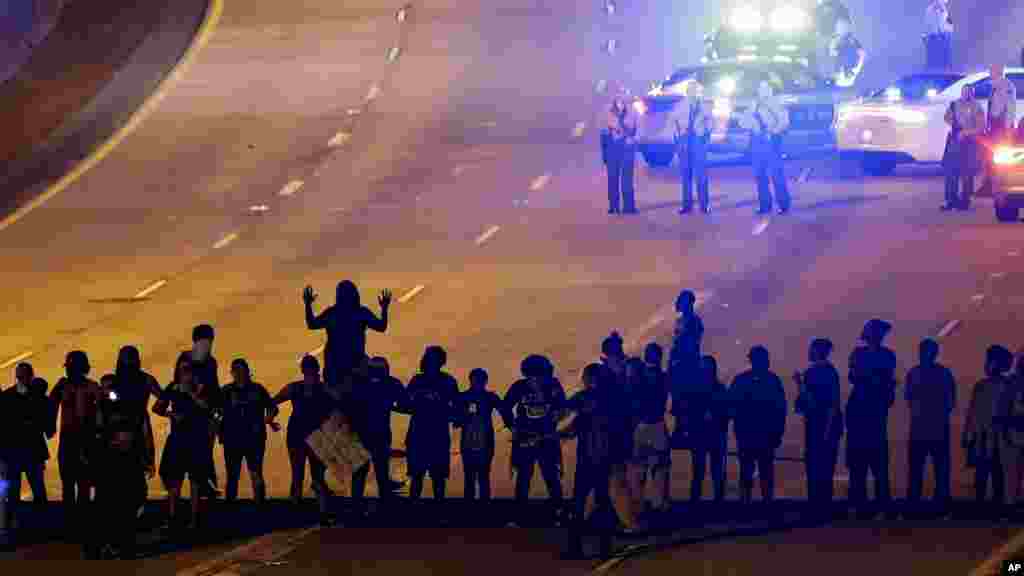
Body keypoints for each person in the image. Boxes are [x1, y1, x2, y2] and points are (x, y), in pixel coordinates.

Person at [90, 366, 156, 559]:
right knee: (109, 506)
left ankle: (123, 544)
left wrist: (148, 459)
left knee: (130, 503)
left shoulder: (131, 407)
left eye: (109, 388)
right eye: (103, 388)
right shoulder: (100, 408)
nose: (107, 392)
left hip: (129, 463)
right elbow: (96, 435)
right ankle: (111, 544)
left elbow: (144, 433)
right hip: (110, 464)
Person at [154, 355, 218, 530]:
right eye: (182, 370)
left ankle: (194, 518)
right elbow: (157, 407)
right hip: (178, 438)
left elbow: (208, 408)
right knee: (175, 479)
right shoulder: (173, 387)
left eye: (188, 369)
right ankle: (173, 516)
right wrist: (171, 414)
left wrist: (190, 392)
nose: (185, 373)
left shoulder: (201, 387)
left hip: (196, 439)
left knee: (196, 481)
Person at [845, 319, 898, 519]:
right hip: (867, 413)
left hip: (868, 413)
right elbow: (860, 376)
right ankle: (871, 506)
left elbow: (858, 376)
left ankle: (872, 506)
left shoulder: (867, 355)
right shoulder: (881, 356)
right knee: (868, 464)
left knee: (870, 464)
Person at [505, 354, 567, 526]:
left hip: (546, 437)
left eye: (540, 375)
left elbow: (563, 407)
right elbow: (505, 406)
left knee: (550, 476)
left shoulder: (553, 385)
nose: (537, 379)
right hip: (525, 437)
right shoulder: (519, 386)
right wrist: (513, 426)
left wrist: (557, 416)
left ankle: (558, 513)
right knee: (524, 476)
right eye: (534, 375)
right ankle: (520, 515)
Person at [562, 363, 615, 559]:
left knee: (579, 503)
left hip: (587, 458)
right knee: (602, 502)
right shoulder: (610, 399)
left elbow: (568, 419)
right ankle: (604, 547)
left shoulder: (582, 398)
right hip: (603, 457)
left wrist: (558, 433)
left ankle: (576, 547)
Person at [303, 282, 391, 398]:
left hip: (333, 366)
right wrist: (384, 309)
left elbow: (312, 324)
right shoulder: (361, 312)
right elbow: (381, 327)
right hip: (356, 365)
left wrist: (308, 305)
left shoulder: (332, 312)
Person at [273, 355, 332, 525]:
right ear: (318, 369)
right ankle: (323, 513)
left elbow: (272, 401)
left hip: (296, 436)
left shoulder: (294, 387)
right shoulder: (325, 388)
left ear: (302, 370)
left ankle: (295, 513)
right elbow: (340, 405)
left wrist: (270, 419)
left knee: (297, 475)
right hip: (317, 436)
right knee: (318, 477)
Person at [49, 350, 102, 532]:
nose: (69, 371)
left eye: (71, 368)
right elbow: (51, 406)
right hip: (72, 441)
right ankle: (74, 523)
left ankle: (78, 523)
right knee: (72, 484)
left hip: (83, 440)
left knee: (82, 484)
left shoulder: (91, 387)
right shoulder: (65, 386)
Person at [904, 338, 956, 515]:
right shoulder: (944, 374)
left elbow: (909, 399)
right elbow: (950, 402)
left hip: (920, 427)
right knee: (940, 469)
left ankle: (914, 504)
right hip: (938, 427)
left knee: (917, 468)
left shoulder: (914, 373)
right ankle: (940, 505)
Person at [730, 346, 787, 507]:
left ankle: (746, 504)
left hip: (749, 434)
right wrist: (778, 433)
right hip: (764, 435)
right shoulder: (773, 380)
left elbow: (732, 407)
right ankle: (765, 505)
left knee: (748, 471)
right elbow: (780, 410)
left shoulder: (741, 380)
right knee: (765, 472)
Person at [351, 356, 409, 513]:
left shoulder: (360, 383)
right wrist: (391, 406)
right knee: (379, 471)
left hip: (364, 433)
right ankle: (382, 503)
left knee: (362, 472)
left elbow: (350, 406)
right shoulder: (391, 383)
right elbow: (405, 404)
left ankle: (357, 505)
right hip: (378, 433)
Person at [1, 364, 51, 543]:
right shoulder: (39, 397)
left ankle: (16, 528)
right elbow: (46, 424)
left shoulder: (7, 396)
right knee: (36, 490)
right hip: (29, 452)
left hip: (15, 452)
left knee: (14, 493)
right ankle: (40, 527)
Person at [405, 346, 459, 504]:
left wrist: (451, 415)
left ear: (441, 361)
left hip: (438, 434)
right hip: (418, 434)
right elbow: (405, 402)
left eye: (436, 358)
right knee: (417, 476)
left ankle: (439, 513)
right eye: (429, 357)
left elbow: (457, 406)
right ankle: (413, 513)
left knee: (438, 477)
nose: (432, 361)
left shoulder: (449, 381)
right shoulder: (417, 380)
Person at [220, 359, 278, 505]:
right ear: (232, 373)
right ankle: (233, 507)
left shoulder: (257, 389)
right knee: (234, 475)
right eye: (236, 371)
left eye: (241, 371)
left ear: (247, 372)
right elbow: (215, 411)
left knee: (255, 473)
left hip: (253, 438)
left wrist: (269, 418)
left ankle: (258, 506)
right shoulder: (226, 391)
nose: (239, 374)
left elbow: (272, 408)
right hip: (234, 439)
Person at [173, 324, 221, 498]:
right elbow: (180, 385)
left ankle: (205, 483)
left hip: (202, 413)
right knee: (194, 452)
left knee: (204, 451)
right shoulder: (187, 360)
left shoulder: (209, 361)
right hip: (189, 414)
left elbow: (213, 390)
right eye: (206, 340)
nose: (208, 344)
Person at [964, 345, 1013, 513]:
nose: (987, 364)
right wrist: (969, 435)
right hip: (983, 438)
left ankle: (994, 506)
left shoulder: (1006, 386)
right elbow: (972, 414)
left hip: (998, 438)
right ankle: (982, 506)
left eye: (990, 361)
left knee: (996, 473)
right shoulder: (981, 386)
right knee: (983, 474)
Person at [112, 346, 160, 519]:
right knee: (130, 470)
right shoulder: (145, 379)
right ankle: (133, 509)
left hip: (130, 428)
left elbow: (163, 399)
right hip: (131, 427)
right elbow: (163, 398)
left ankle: (133, 509)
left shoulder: (118, 380)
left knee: (133, 469)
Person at [794, 339, 842, 508]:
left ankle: (817, 506)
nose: (808, 351)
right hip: (823, 427)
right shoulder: (829, 372)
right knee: (824, 469)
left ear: (817, 351)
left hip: (819, 427)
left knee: (816, 468)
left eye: (811, 348)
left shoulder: (816, 373)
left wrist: (800, 385)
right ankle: (822, 506)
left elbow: (814, 404)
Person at [455, 368, 509, 502]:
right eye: (475, 379)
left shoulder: (491, 397)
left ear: (485, 381)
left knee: (483, 475)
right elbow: (455, 418)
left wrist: (511, 425)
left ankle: (484, 504)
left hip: (486, 440)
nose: (478, 382)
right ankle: (471, 504)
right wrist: (460, 419)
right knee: (470, 475)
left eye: (481, 380)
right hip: (468, 440)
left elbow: (504, 411)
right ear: (470, 380)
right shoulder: (462, 397)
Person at [741, 81, 791, 215]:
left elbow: (784, 122)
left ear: (770, 90)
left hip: (771, 141)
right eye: (760, 89)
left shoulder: (776, 104)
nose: (763, 91)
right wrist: (751, 123)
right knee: (759, 174)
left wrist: (773, 131)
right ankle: (765, 205)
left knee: (776, 174)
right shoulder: (753, 105)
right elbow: (743, 122)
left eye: (765, 89)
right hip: (757, 142)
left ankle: (783, 205)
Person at [689, 355, 730, 505]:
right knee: (705, 471)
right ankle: (710, 502)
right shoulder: (719, 388)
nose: (706, 370)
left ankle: (699, 502)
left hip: (711, 433)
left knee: (706, 471)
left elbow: (726, 410)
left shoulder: (700, 388)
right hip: (709, 433)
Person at [669, 290, 704, 448]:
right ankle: (681, 430)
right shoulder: (683, 321)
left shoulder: (693, 321)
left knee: (686, 397)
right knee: (679, 397)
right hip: (681, 363)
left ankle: (686, 432)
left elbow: (691, 344)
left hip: (687, 364)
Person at [978, 64, 1019, 197]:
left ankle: (998, 187)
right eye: (991, 70)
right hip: (994, 127)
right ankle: (989, 186)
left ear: (999, 71)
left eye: (993, 70)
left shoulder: (1007, 86)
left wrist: (1008, 128)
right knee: (990, 156)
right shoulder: (994, 86)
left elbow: (1010, 109)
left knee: (1000, 157)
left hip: (1001, 127)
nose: (990, 72)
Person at [942, 85, 985, 211]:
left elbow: (981, 126)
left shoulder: (977, 107)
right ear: (961, 93)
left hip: (969, 143)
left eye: (969, 92)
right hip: (954, 141)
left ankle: (965, 201)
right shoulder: (954, 104)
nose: (966, 94)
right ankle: (950, 200)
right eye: (964, 92)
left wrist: (966, 132)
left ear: (973, 93)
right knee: (950, 171)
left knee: (967, 173)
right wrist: (955, 127)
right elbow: (946, 117)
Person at [674, 81, 711, 214]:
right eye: (690, 90)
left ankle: (704, 205)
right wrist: (679, 137)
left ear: (697, 92)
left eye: (694, 90)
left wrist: (705, 135)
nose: (692, 92)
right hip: (685, 140)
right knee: (686, 175)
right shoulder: (680, 105)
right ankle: (686, 206)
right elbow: (674, 122)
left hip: (698, 140)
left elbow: (710, 123)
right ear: (687, 92)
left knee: (701, 174)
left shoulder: (704, 105)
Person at [603, 89, 638, 214]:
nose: (621, 100)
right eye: (618, 97)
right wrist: (605, 155)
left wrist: (631, 138)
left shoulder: (632, 112)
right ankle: (614, 206)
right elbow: (604, 133)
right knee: (612, 179)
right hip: (612, 148)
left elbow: (635, 130)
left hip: (627, 149)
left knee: (627, 179)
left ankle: (629, 207)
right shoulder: (608, 112)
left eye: (623, 97)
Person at [924, 0, 953, 69]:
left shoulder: (945, 11)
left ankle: (946, 68)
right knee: (932, 55)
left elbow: (949, 24)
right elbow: (928, 24)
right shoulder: (929, 10)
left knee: (945, 54)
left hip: (944, 34)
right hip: (934, 36)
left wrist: (948, 31)